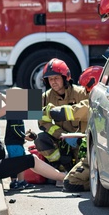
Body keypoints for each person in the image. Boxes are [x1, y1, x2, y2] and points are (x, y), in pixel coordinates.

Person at [0, 89, 65, 189]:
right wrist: (1, 95)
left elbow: (15, 109)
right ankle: (64, 177)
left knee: (27, 157)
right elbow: (14, 106)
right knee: (32, 159)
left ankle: (60, 177)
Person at [34, 58, 90, 191]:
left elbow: (90, 113)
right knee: (40, 139)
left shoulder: (81, 93)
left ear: (65, 78)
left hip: (81, 141)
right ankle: (60, 169)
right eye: (50, 79)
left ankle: (74, 174)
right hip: (62, 141)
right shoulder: (45, 97)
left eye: (56, 78)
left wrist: (78, 138)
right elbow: (42, 123)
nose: (53, 82)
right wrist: (62, 135)